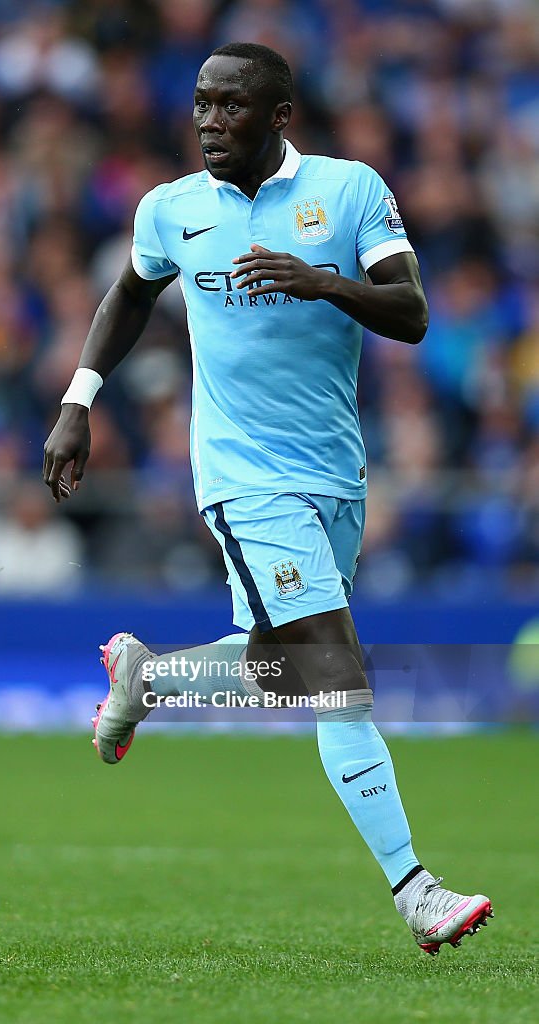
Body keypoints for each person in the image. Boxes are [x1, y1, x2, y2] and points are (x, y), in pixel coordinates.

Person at [42, 43, 492, 955]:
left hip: (336, 471)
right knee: (336, 674)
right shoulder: (172, 210)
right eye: (201, 105)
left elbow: (412, 312)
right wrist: (79, 400)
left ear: (279, 114)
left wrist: (322, 279)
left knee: (275, 667)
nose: (209, 122)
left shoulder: (351, 191)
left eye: (230, 107)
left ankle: (151, 678)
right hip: (244, 478)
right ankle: (416, 889)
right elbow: (128, 294)